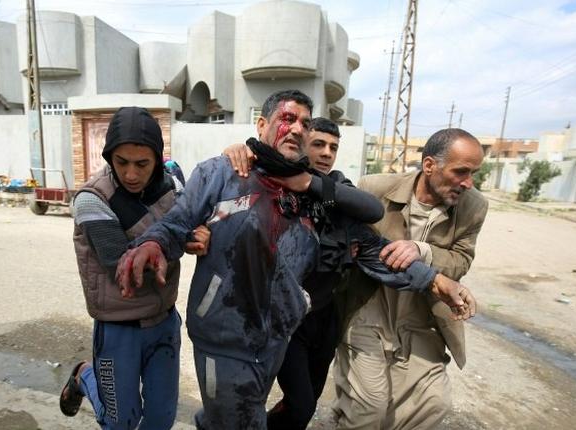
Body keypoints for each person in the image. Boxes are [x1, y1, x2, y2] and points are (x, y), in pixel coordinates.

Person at [116, 89, 393, 429]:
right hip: (225, 339)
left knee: (237, 416)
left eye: (305, 124)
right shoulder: (223, 173)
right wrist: (154, 244)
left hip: (274, 341)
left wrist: (432, 278)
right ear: (262, 124)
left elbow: (372, 234)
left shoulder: (312, 195)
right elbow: (177, 222)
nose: (297, 129)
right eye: (287, 119)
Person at [223, 119, 476, 430]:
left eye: (333, 147)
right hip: (283, 320)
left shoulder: (338, 195)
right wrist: (241, 151)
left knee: (306, 402)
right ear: (301, 143)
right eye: (318, 144)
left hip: (325, 316)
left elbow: (376, 244)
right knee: (280, 402)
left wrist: (436, 280)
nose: (327, 153)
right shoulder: (269, 184)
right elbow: (221, 217)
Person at [58, 107, 209, 430]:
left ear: (157, 159)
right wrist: (182, 237)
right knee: (120, 423)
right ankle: (86, 375)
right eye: (121, 162)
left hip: (164, 322)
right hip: (117, 329)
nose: (130, 174)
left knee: (159, 421)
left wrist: (200, 233)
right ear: (109, 157)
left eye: (142, 164)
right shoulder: (91, 200)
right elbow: (123, 264)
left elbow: (195, 223)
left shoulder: (173, 189)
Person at [334, 128, 488, 430]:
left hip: (420, 317)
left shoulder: (473, 206)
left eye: (474, 174)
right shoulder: (374, 188)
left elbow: (461, 260)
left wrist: (423, 251)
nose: (468, 183)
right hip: (369, 308)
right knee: (370, 406)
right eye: (461, 172)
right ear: (429, 165)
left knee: (433, 402)